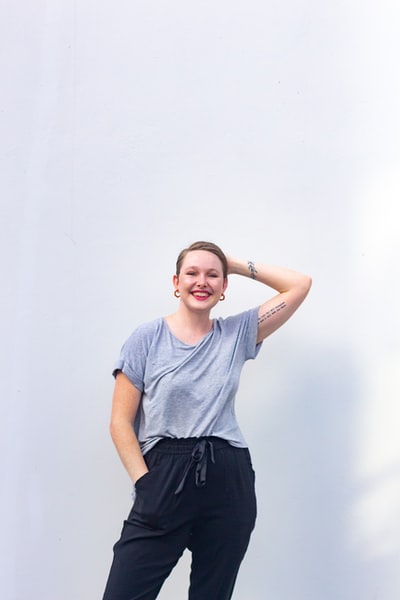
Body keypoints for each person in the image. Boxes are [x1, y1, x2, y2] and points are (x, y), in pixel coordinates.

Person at [102, 240, 312, 600]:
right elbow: (120, 422)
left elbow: (299, 284)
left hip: (227, 475)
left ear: (224, 286)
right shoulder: (146, 338)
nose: (202, 281)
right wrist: (146, 484)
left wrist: (230, 261)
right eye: (192, 273)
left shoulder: (236, 333)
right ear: (176, 282)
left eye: (213, 275)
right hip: (164, 475)